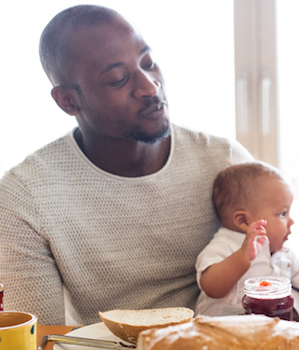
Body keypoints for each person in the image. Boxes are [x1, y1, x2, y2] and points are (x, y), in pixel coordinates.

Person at [0, 5, 253, 325]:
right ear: (68, 101)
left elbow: (276, 279)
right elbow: (38, 337)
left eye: (149, 63)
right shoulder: (26, 196)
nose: (150, 87)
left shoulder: (225, 162)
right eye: (118, 79)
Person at [195, 161, 299, 330]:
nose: (291, 221)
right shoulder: (223, 246)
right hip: (222, 332)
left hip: (270, 332)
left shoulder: (283, 253)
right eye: (282, 213)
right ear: (243, 221)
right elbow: (212, 288)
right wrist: (243, 256)